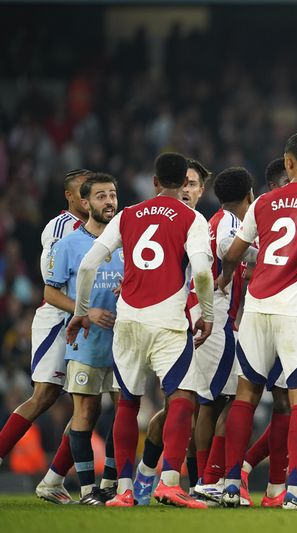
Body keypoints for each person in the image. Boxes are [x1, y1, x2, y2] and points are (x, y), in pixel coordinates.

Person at [67, 152, 215, 508]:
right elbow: (203, 272)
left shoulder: (127, 215)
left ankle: (123, 490)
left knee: (128, 403)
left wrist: (81, 312)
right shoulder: (192, 218)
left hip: (128, 320)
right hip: (167, 322)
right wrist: (206, 314)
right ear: (184, 184)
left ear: (154, 181)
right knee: (182, 398)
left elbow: (88, 266)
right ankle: (169, 482)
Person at [216, 132, 297, 511]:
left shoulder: (264, 202)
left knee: (246, 395)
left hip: (256, 306)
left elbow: (234, 252)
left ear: (288, 163)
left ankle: (232, 485)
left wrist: (222, 280)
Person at [0, 169, 89, 504]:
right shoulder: (61, 226)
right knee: (44, 396)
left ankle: (53, 479)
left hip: (88, 322)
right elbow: (52, 281)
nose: (87, 196)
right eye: (83, 190)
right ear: (69, 195)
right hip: (59, 318)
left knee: (88, 403)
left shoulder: (102, 229)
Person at [134, 157, 211, 504]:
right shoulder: (173, 224)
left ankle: (167, 479)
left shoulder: (206, 224)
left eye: (194, 184)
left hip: (202, 325)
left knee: (192, 405)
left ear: (200, 189)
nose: (187, 189)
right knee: (181, 403)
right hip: (172, 324)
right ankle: (154, 476)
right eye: (185, 182)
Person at [44, 173, 123, 505]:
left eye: (113, 195)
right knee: (86, 413)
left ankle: (112, 484)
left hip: (123, 342)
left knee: (125, 413)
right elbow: (50, 291)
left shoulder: (127, 241)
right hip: (87, 341)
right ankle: (89, 491)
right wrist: (84, 311)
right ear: (86, 203)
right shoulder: (68, 245)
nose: (109, 202)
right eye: (101, 196)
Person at [191, 167, 256, 505]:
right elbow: (235, 252)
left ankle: (204, 480)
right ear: (250, 194)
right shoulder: (231, 223)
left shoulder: (212, 221)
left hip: (208, 315)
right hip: (215, 318)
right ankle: (212, 479)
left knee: (209, 402)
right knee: (232, 399)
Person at [237, 158, 294, 508]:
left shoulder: (268, 212)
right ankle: (234, 476)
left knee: (286, 400)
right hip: (270, 317)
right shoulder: (262, 213)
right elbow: (236, 256)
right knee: (256, 397)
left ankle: (262, 482)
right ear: (276, 185)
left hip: (283, 316)